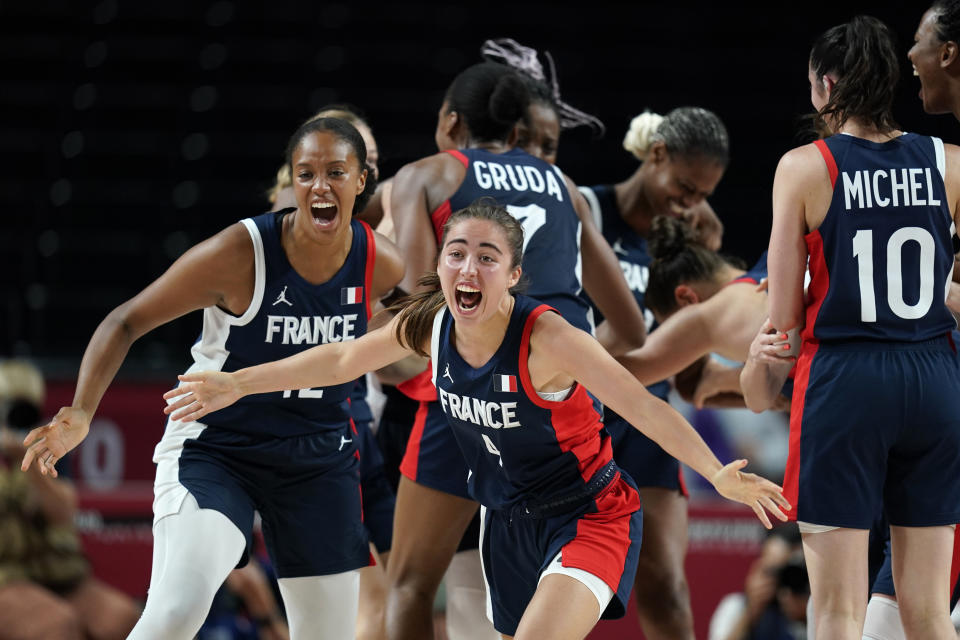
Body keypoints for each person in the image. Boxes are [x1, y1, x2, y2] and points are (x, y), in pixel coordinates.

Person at [162, 201, 790, 640]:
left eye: (487, 258)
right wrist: (236, 382)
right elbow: (344, 357)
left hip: (589, 516)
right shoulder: (432, 322)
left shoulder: (549, 337)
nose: (468, 268)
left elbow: (644, 404)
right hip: (509, 522)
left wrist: (718, 473)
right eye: (456, 253)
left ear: (514, 276)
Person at [20, 117, 405, 639]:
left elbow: (375, 352)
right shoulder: (242, 252)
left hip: (319, 457)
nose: (319, 185)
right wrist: (83, 410)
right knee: (176, 612)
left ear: (361, 181)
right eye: (306, 173)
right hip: (219, 448)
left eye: (335, 172)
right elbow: (127, 319)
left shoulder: (381, 264)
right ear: (290, 181)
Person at [382, 61, 649, 640]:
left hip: (466, 401)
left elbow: (409, 315)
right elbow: (629, 325)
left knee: (408, 585)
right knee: (528, 602)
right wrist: (554, 365)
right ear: (518, 129)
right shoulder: (564, 186)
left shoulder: (427, 175)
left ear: (451, 122)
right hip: (561, 410)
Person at [764, 15, 960, 640]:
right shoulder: (950, 162)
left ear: (825, 85)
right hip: (934, 379)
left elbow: (783, 324)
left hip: (845, 380)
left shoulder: (803, 167)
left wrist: (762, 355)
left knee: (837, 611)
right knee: (927, 610)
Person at [577, 107, 731, 639]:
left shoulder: (686, 240)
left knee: (665, 585)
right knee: (547, 582)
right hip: (577, 418)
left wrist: (705, 260)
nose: (690, 203)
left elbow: (693, 372)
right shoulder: (585, 212)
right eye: (685, 187)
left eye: (701, 194)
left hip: (646, 425)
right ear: (656, 155)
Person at [0, 359, 141, 640]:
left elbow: (62, 513)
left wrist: (27, 459)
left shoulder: (46, 443)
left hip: (59, 571)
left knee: (124, 620)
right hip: (6, 575)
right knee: (57, 626)